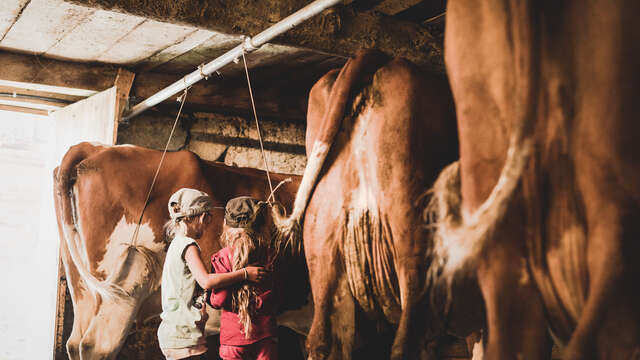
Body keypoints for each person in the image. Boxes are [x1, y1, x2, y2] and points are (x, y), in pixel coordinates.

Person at [158, 188, 267, 360]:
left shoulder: (176, 244)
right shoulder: (188, 245)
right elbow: (206, 281)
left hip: (175, 333)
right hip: (183, 336)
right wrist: (245, 273)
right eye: (209, 218)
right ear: (202, 217)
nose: (209, 225)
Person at [209, 196, 280, 360]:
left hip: (233, 341)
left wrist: (210, 298)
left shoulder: (222, 257)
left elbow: (219, 300)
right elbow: (276, 294)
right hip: (265, 337)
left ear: (226, 225)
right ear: (260, 226)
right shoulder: (269, 255)